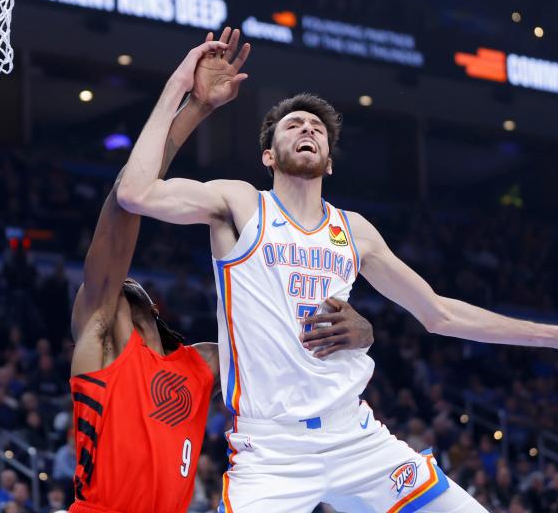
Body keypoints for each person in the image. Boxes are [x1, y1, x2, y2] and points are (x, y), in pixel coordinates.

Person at [117, 28, 558, 512]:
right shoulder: (241, 203)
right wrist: (181, 89)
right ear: (268, 156)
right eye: (293, 125)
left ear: (330, 160)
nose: (307, 130)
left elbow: (440, 314)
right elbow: (135, 193)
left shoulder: (355, 231)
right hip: (270, 451)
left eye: (316, 128)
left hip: (356, 439)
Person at [67, 41, 374, 513]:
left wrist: (364, 331)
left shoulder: (202, 364)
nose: (117, 287)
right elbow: (125, 199)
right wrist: (189, 104)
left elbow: (285, 340)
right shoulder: (102, 340)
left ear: (154, 309)